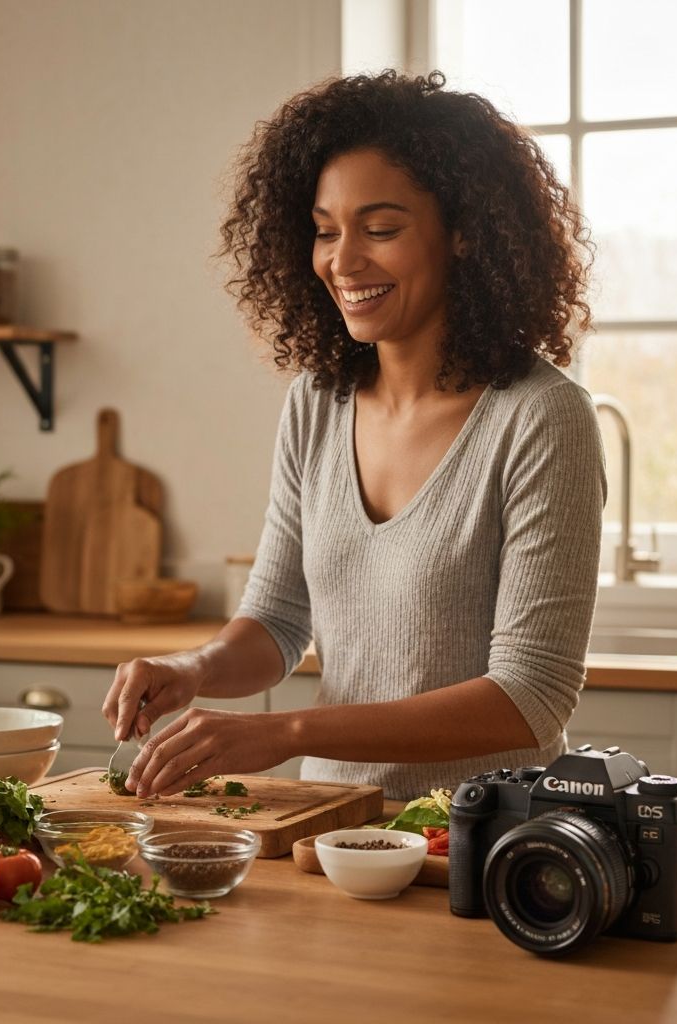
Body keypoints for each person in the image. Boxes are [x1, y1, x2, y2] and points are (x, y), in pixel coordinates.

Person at [102, 69, 606, 801]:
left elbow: (530, 698)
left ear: (465, 233)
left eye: (381, 229)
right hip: (329, 828)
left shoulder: (541, 417)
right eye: (325, 230)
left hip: (478, 837)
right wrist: (192, 669)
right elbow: (277, 620)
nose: (342, 261)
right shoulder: (318, 402)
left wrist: (287, 732)